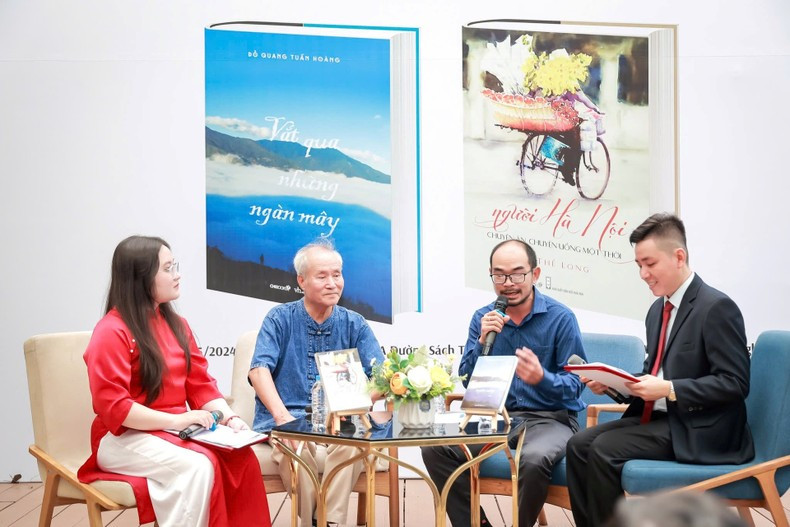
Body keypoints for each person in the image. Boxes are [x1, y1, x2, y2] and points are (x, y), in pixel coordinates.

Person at [566, 213, 755, 527]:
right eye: (639, 264)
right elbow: (649, 375)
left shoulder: (717, 308)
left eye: (649, 263)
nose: (643, 273)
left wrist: (669, 389)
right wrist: (612, 386)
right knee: (578, 445)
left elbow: (735, 383)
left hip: (701, 429)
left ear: (678, 256)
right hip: (662, 420)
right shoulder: (657, 310)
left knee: (602, 450)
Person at [78, 235, 270, 527]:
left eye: (175, 266)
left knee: (240, 459)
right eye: (168, 268)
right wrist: (178, 421)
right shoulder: (111, 331)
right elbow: (115, 408)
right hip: (122, 438)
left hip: (173, 432)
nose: (177, 275)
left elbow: (201, 385)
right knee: (196, 466)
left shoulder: (177, 325)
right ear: (142, 277)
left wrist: (231, 419)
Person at [421, 239, 587, 527]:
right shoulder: (482, 317)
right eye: (499, 275)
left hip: (550, 420)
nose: (508, 283)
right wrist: (481, 341)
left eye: (517, 274)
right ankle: (476, 524)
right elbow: (467, 380)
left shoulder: (561, 318)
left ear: (535, 274)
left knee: (533, 458)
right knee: (435, 446)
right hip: (494, 418)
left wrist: (542, 379)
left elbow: (576, 384)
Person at [249, 238, 384, 527]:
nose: (332, 283)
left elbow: (383, 377)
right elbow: (259, 370)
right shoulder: (279, 318)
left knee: (351, 443)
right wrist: (282, 418)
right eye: (322, 276)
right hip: (291, 418)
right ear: (301, 280)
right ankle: (319, 521)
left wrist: (356, 404)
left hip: (341, 421)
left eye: (337, 275)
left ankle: (327, 523)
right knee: (294, 446)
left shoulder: (354, 323)